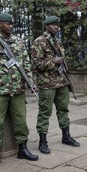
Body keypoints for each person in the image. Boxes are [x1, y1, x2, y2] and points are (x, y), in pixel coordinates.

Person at [0, 13, 39, 169]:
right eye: (7, 23)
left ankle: (22, 148)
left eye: (12, 24)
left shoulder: (19, 42)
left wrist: (30, 82)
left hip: (17, 89)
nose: (10, 26)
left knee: (21, 120)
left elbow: (26, 64)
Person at [31, 15, 80, 154]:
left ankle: (66, 136)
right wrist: (54, 62)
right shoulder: (39, 42)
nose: (56, 27)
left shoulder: (57, 41)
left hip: (61, 82)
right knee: (45, 112)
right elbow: (36, 64)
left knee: (63, 109)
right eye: (53, 25)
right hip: (47, 84)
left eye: (57, 25)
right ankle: (43, 141)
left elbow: (63, 60)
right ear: (46, 26)